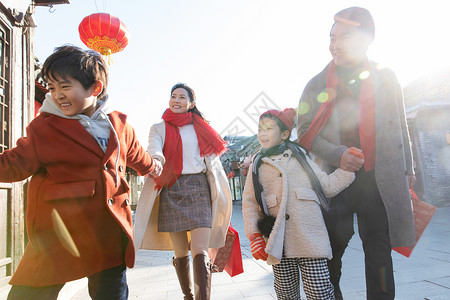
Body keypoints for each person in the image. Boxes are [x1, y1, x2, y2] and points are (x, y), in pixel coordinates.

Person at [2, 45, 162, 300]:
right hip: (59, 232)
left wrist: (154, 166)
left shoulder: (120, 127)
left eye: (65, 87)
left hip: (108, 231)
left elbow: (139, 157)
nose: (56, 95)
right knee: (29, 293)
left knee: (112, 293)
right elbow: (13, 164)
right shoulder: (44, 128)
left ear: (95, 88)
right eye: (52, 88)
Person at [297, 7, 416, 300]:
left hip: (379, 178)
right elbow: (304, 130)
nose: (334, 44)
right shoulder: (317, 84)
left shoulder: (386, 77)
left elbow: (401, 126)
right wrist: (338, 155)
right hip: (335, 180)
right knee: (332, 249)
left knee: (378, 248)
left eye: (343, 37)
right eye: (332, 37)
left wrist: (408, 168)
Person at [242, 108, 355, 300]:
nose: (262, 133)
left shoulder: (301, 158)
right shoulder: (257, 164)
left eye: (268, 128)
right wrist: (254, 237)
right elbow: (250, 202)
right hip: (278, 240)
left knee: (319, 291)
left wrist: (347, 169)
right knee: (286, 292)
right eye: (260, 128)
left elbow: (326, 186)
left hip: (310, 236)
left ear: (285, 134)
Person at [133, 83, 232, 300]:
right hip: (171, 188)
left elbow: (212, 161)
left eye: (182, 97)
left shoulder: (200, 127)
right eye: (173, 96)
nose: (176, 100)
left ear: (191, 104)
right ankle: (188, 295)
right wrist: (157, 159)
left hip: (199, 189)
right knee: (179, 252)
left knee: (200, 250)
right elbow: (154, 147)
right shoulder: (158, 127)